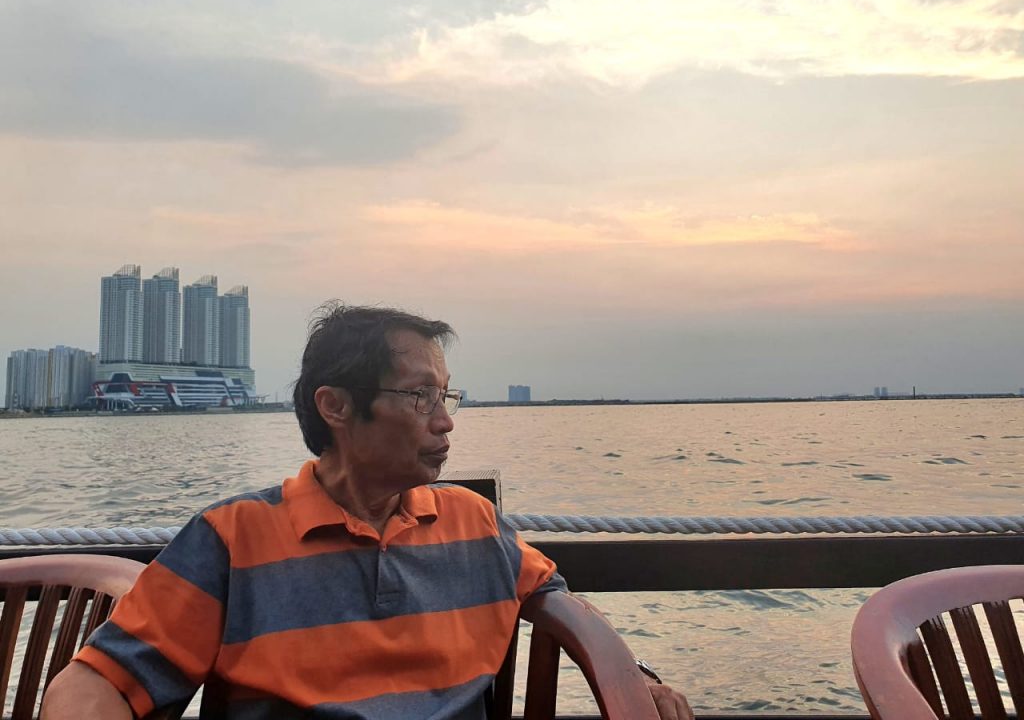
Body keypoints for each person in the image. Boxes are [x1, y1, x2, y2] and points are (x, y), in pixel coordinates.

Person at [42, 303, 692, 720]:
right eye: (419, 396)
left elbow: (558, 599)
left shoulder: (473, 524)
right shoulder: (232, 539)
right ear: (336, 406)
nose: (445, 422)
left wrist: (635, 678)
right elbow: (96, 684)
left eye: (446, 397)